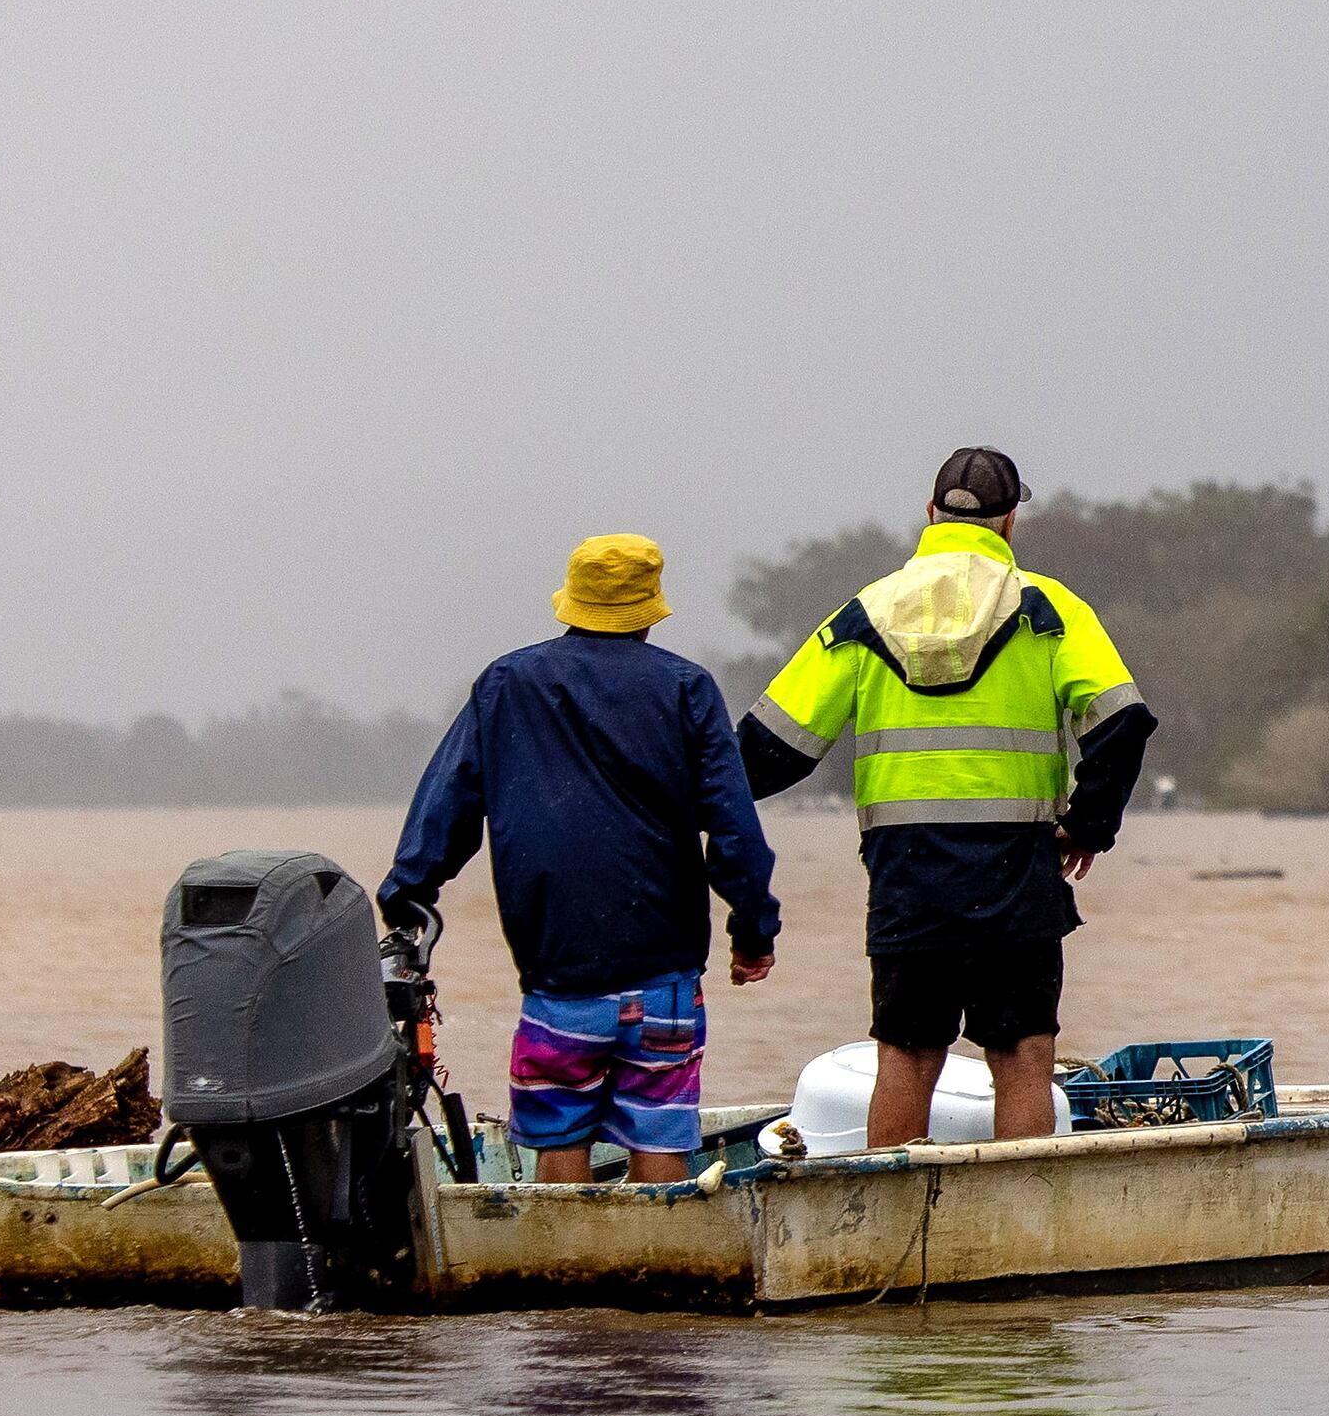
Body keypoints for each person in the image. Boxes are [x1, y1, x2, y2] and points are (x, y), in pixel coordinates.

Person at [737, 449, 1156, 1149]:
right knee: (1022, 1054)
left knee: (906, 1052)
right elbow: (1125, 720)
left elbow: (767, 750)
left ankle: (884, 1223)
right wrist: (1088, 826)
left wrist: (684, 805)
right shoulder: (1047, 610)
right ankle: (1020, 1221)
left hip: (908, 871)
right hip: (1018, 865)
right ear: (1009, 522)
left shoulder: (862, 615)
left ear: (930, 516)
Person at [381, 534, 781, 1188]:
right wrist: (753, 930)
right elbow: (734, 826)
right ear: (650, 611)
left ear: (570, 603)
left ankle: (559, 1272)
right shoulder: (687, 689)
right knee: (657, 1127)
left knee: (559, 1131)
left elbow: (447, 801)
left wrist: (407, 892)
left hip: (557, 974)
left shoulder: (508, 684)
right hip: (665, 974)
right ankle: (657, 1267)